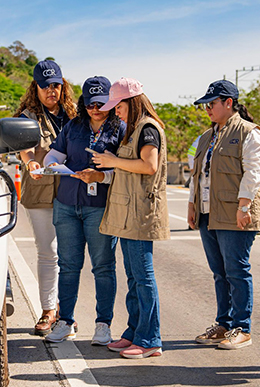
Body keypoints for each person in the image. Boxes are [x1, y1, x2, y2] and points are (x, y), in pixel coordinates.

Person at [43, 76, 125, 344]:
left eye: (101, 104)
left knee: (103, 267)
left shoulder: (121, 129)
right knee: (68, 265)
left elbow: (127, 170)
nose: (95, 109)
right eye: (90, 104)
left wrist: (101, 177)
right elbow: (55, 154)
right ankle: (65, 321)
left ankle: (103, 324)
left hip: (100, 207)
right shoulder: (73, 126)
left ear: (111, 103)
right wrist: (52, 164)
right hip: (67, 204)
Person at [91, 77, 169, 359]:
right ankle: (134, 333)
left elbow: (149, 165)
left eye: (119, 106)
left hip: (140, 213)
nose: (116, 112)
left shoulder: (148, 128)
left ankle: (150, 339)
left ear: (132, 102)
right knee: (134, 278)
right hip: (128, 213)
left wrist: (113, 161)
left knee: (143, 278)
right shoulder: (134, 130)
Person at [187, 80, 260, 350]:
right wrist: (192, 205)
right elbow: (197, 175)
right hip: (208, 213)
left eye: (212, 103)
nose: (207, 109)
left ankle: (242, 328)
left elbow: (254, 172)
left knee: (236, 270)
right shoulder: (206, 137)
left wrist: (244, 207)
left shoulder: (248, 133)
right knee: (219, 273)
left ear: (229, 103)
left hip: (234, 213)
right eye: (205, 105)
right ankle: (223, 325)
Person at [13, 60, 77, 336]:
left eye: (56, 85)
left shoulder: (74, 115)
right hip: (40, 191)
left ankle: (66, 312)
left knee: (69, 255)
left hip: (70, 190)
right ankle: (49, 310)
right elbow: (25, 148)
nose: (52, 90)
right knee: (48, 252)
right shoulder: (27, 117)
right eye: (45, 86)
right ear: (35, 88)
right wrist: (30, 163)